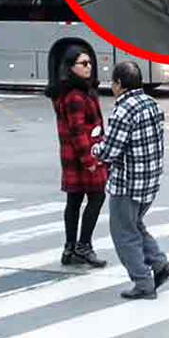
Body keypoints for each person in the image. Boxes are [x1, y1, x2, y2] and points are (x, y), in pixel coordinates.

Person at [92, 62, 169, 300]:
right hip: (149, 181)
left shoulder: (123, 110)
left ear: (119, 84)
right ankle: (160, 265)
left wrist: (95, 149)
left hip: (127, 183)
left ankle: (143, 282)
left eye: (113, 82)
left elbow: (111, 151)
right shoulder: (152, 104)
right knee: (135, 225)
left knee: (123, 233)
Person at [44, 45, 109, 268]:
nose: (89, 67)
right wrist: (89, 160)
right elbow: (77, 130)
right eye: (83, 64)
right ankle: (83, 246)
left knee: (74, 200)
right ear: (71, 68)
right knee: (96, 197)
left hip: (74, 156)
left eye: (90, 62)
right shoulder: (75, 96)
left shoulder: (77, 91)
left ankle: (70, 248)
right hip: (83, 156)